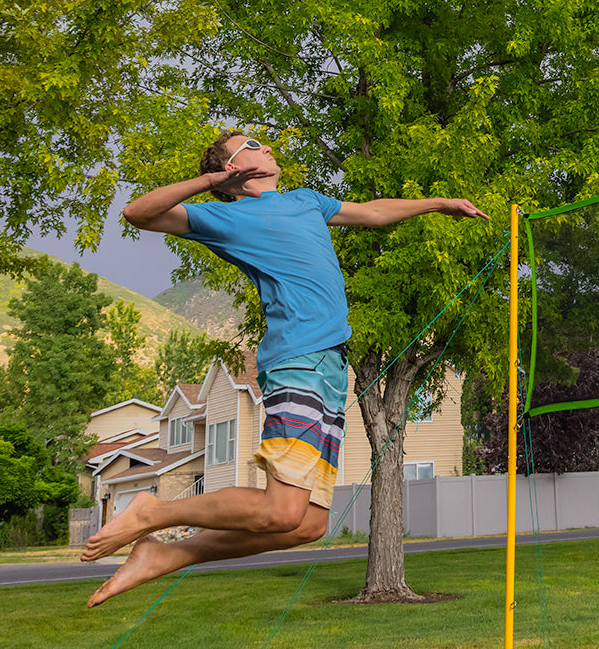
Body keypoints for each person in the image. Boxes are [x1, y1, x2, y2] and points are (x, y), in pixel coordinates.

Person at [81, 130, 488, 607]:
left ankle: (169, 556)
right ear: (234, 167)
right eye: (252, 142)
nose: (267, 146)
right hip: (297, 362)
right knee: (281, 508)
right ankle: (155, 512)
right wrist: (213, 179)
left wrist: (439, 203)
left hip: (331, 370)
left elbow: (374, 213)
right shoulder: (224, 215)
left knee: (307, 524)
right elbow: (138, 213)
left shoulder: (306, 201)